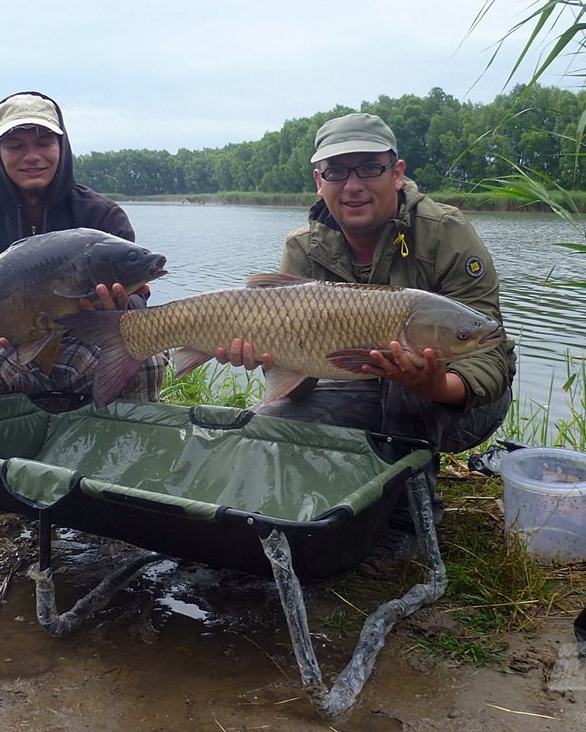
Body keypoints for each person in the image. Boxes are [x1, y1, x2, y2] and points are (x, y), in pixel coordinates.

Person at [216, 112, 516, 543]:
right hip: (356, 383)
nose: (352, 185)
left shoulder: (446, 233)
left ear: (396, 173)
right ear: (319, 181)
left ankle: (407, 526)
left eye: (369, 168)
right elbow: (300, 378)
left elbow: (490, 350)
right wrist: (269, 360)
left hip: (466, 402)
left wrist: (437, 385)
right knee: (269, 420)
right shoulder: (303, 247)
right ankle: (304, 507)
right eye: (336, 171)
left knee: (403, 382)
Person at [0, 91, 166, 403]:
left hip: (86, 342)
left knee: (145, 358)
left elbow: (139, 305)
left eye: (44, 143)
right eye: (15, 146)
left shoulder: (102, 215)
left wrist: (118, 306)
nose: (31, 156)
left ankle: (122, 446)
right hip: (6, 346)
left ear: (62, 147)